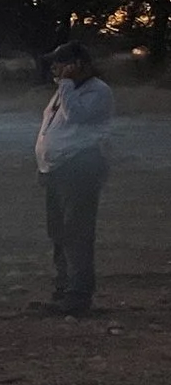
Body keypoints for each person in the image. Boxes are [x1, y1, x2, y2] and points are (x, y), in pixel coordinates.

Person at [34, 41, 112, 315]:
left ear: (78, 64)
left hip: (80, 168)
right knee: (59, 232)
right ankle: (63, 289)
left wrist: (65, 85)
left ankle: (78, 296)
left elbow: (77, 118)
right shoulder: (64, 91)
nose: (54, 67)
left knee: (77, 233)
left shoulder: (98, 91)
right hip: (57, 169)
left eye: (60, 62)